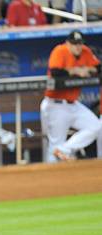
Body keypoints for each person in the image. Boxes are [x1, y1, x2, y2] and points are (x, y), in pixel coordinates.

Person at [41, 31, 102, 162]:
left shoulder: (85, 51)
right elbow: (56, 72)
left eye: (80, 44)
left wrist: (88, 70)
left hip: (73, 104)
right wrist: (75, 71)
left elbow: (99, 67)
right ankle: (49, 178)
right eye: (74, 44)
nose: (78, 47)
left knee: (95, 127)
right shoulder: (60, 51)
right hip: (55, 104)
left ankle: (65, 149)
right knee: (55, 143)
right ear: (68, 44)